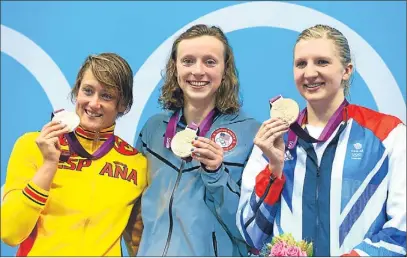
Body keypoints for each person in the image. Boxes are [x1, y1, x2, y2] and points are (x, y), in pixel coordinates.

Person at [237, 24, 406, 256]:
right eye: (301, 64)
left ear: (346, 70)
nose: (309, 73)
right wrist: (274, 172)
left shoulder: (388, 134)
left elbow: (402, 231)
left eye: (322, 62)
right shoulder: (275, 137)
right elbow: (251, 236)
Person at [1, 53, 148, 256]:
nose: (94, 103)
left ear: (123, 104)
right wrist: (49, 165)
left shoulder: (136, 164)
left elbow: (139, 245)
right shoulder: (32, 145)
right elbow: (10, 233)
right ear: (76, 92)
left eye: (107, 96)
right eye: (88, 91)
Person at [133, 24, 260, 256]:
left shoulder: (250, 134)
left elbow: (252, 230)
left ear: (225, 70)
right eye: (188, 61)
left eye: (210, 62)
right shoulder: (154, 129)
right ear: (175, 69)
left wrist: (216, 174)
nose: (198, 71)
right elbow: (135, 213)